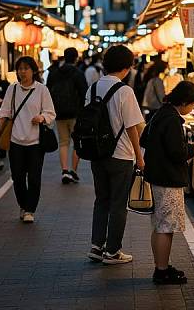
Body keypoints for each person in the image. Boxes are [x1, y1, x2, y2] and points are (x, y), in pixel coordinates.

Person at [141, 81, 194, 284]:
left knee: (160, 225)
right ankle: (161, 271)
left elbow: (144, 139)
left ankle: (161, 265)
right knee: (166, 227)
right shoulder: (172, 119)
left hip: (157, 176)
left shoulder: (161, 113)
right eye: (193, 105)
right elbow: (177, 152)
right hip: (167, 178)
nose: (192, 109)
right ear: (185, 102)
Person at [87, 45, 144, 265]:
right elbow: (132, 127)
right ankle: (112, 251)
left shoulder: (92, 89)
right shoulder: (125, 91)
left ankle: (96, 246)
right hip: (120, 156)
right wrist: (140, 157)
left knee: (101, 200)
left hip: (96, 154)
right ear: (127, 67)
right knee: (119, 204)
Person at [0, 56, 56, 224]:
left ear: (33, 70)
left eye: (26, 68)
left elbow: (51, 113)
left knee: (34, 178)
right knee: (18, 177)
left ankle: (29, 210)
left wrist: (42, 117)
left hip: (35, 143)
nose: (22, 72)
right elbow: (4, 114)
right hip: (15, 142)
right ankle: (23, 204)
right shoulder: (12, 90)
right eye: (20, 68)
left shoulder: (42, 90)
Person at [47, 47, 88, 184]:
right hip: (76, 113)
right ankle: (73, 171)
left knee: (63, 142)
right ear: (76, 58)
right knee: (77, 143)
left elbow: (48, 91)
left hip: (59, 113)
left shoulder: (54, 73)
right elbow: (84, 93)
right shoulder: (78, 73)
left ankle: (64, 171)